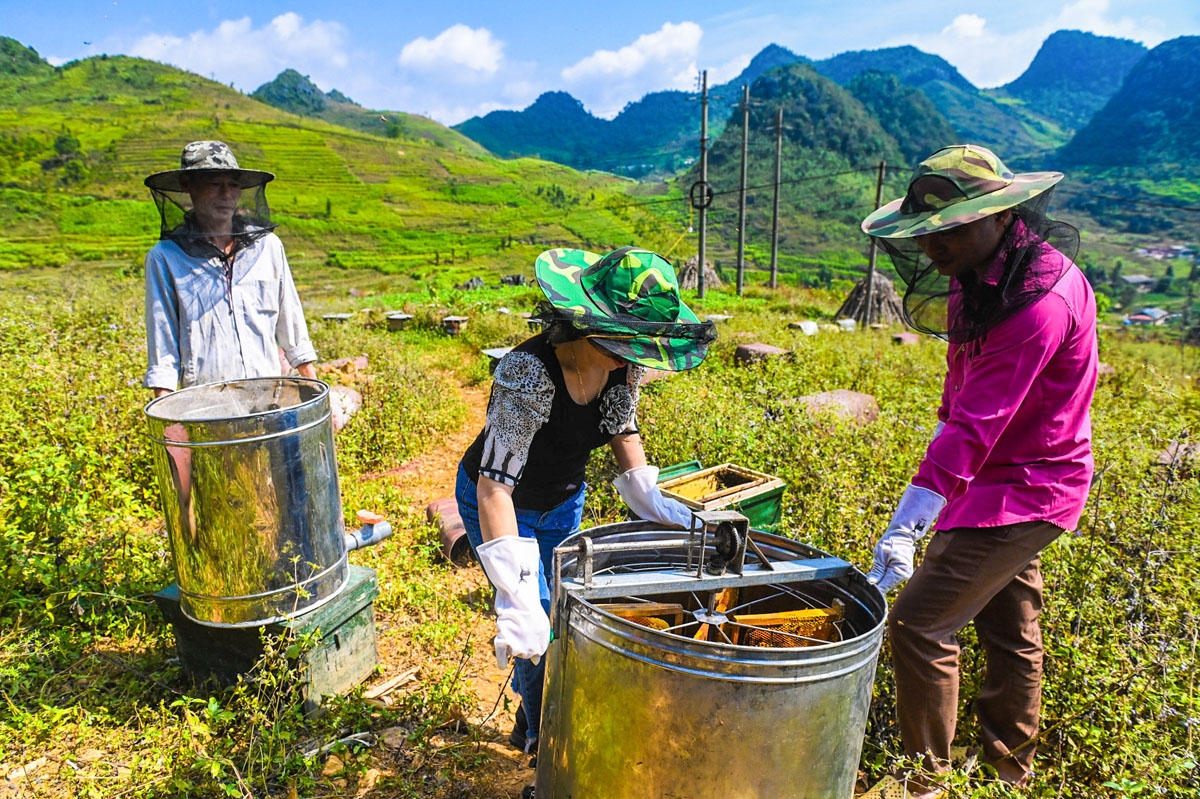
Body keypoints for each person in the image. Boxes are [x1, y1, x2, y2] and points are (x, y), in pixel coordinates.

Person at [860, 144, 1098, 795]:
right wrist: (927, 493)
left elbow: (976, 424)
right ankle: (1007, 773)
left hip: (1029, 484)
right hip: (990, 476)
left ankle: (924, 783)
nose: (936, 245)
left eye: (952, 228)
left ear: (1000, 216)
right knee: (1010, 625)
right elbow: (957, 400)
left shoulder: (1037, 302)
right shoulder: (976, 280)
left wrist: (908, 524)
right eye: (927, 232)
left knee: (918, 622)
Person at [455, 246, 716, 794]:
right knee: (537, 619)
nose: (632, 356)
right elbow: (493, 487)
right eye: (624, 341)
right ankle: (543, 738)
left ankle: (532, 714)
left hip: (564, 499)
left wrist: (652, 500)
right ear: (585, 321)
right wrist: (515, 593)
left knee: (567, 609)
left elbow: (623, 433)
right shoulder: (528, 373)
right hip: (504, 505)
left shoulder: (623, 370)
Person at [142, 140, 317, 397]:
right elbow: (162, 343)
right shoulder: (165, 258)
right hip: (206, 403)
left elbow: (292, 324)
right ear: (188, 187)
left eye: (233, 185)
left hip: (268, 398)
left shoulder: (267, 247)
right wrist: (167, 417)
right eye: (215, 184)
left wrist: (313, 388)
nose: (226, 195)